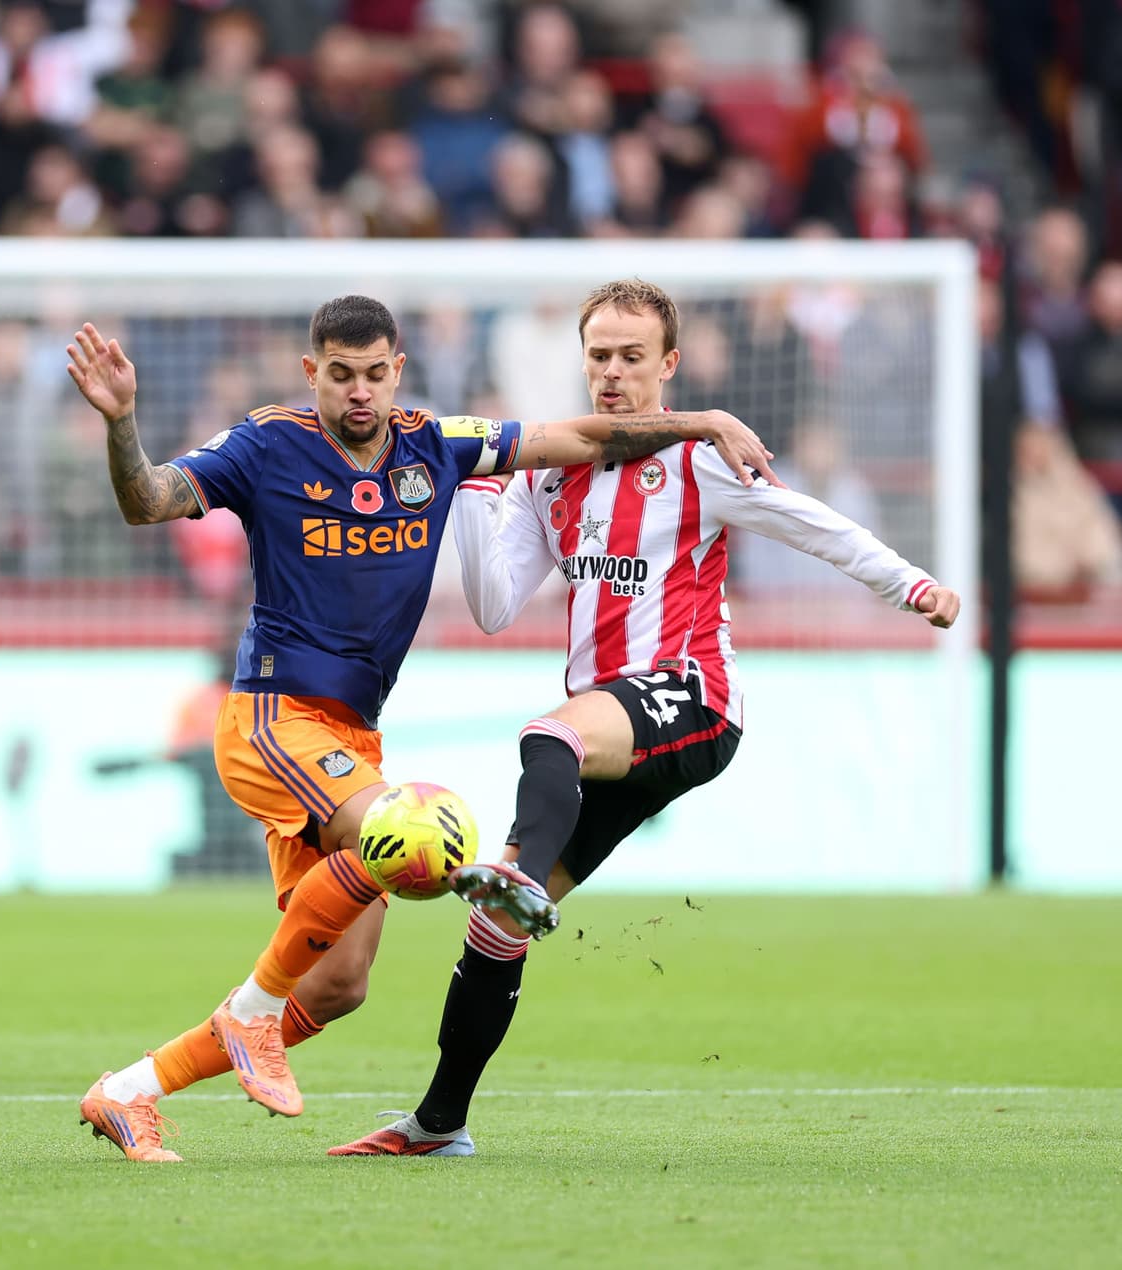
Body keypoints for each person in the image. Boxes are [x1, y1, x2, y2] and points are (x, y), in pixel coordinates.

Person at [64, 295, 779, 1161]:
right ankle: (250, 1015)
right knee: (413, 839)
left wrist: (703, 421)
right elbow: (149, 499)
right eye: (339, 375)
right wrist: (122, 423)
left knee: (336, 986)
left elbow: (582, 439)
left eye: (373, 374)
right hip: (271, 718)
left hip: (350, 740)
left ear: (396, 371)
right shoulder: (264, 446)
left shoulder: (437, 445)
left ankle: (129, 1092)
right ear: (310, 373)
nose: (358, 393)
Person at [329, 278, 961, 1157]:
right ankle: (440, 1124)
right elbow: (495, 605)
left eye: (632, 357)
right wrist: (469, 494)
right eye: (599, 356)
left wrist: (910, 585)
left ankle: (518, 873)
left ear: (669, 365)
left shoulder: (699, 462)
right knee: (496, 927)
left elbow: (808, 522)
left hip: (693, 693)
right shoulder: (550, 471)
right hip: (612, 725)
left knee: (546, 736)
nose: (613, 373)